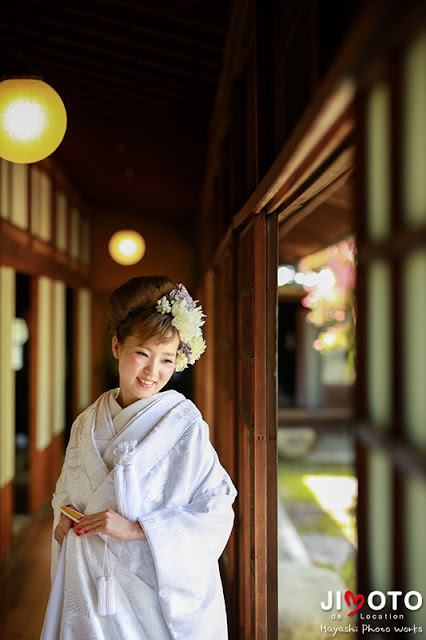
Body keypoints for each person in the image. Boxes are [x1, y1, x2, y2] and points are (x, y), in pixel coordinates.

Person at [40, 275, 237, 640]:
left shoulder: (185, 425)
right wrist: (65, 518)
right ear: (117, 346)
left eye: (166, 360)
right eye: (142, 354)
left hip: (149, 589)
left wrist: (137, 530)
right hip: (88, 580)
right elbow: (66, 493)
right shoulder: (87, 423)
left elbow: (217, 507)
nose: (153, 372)